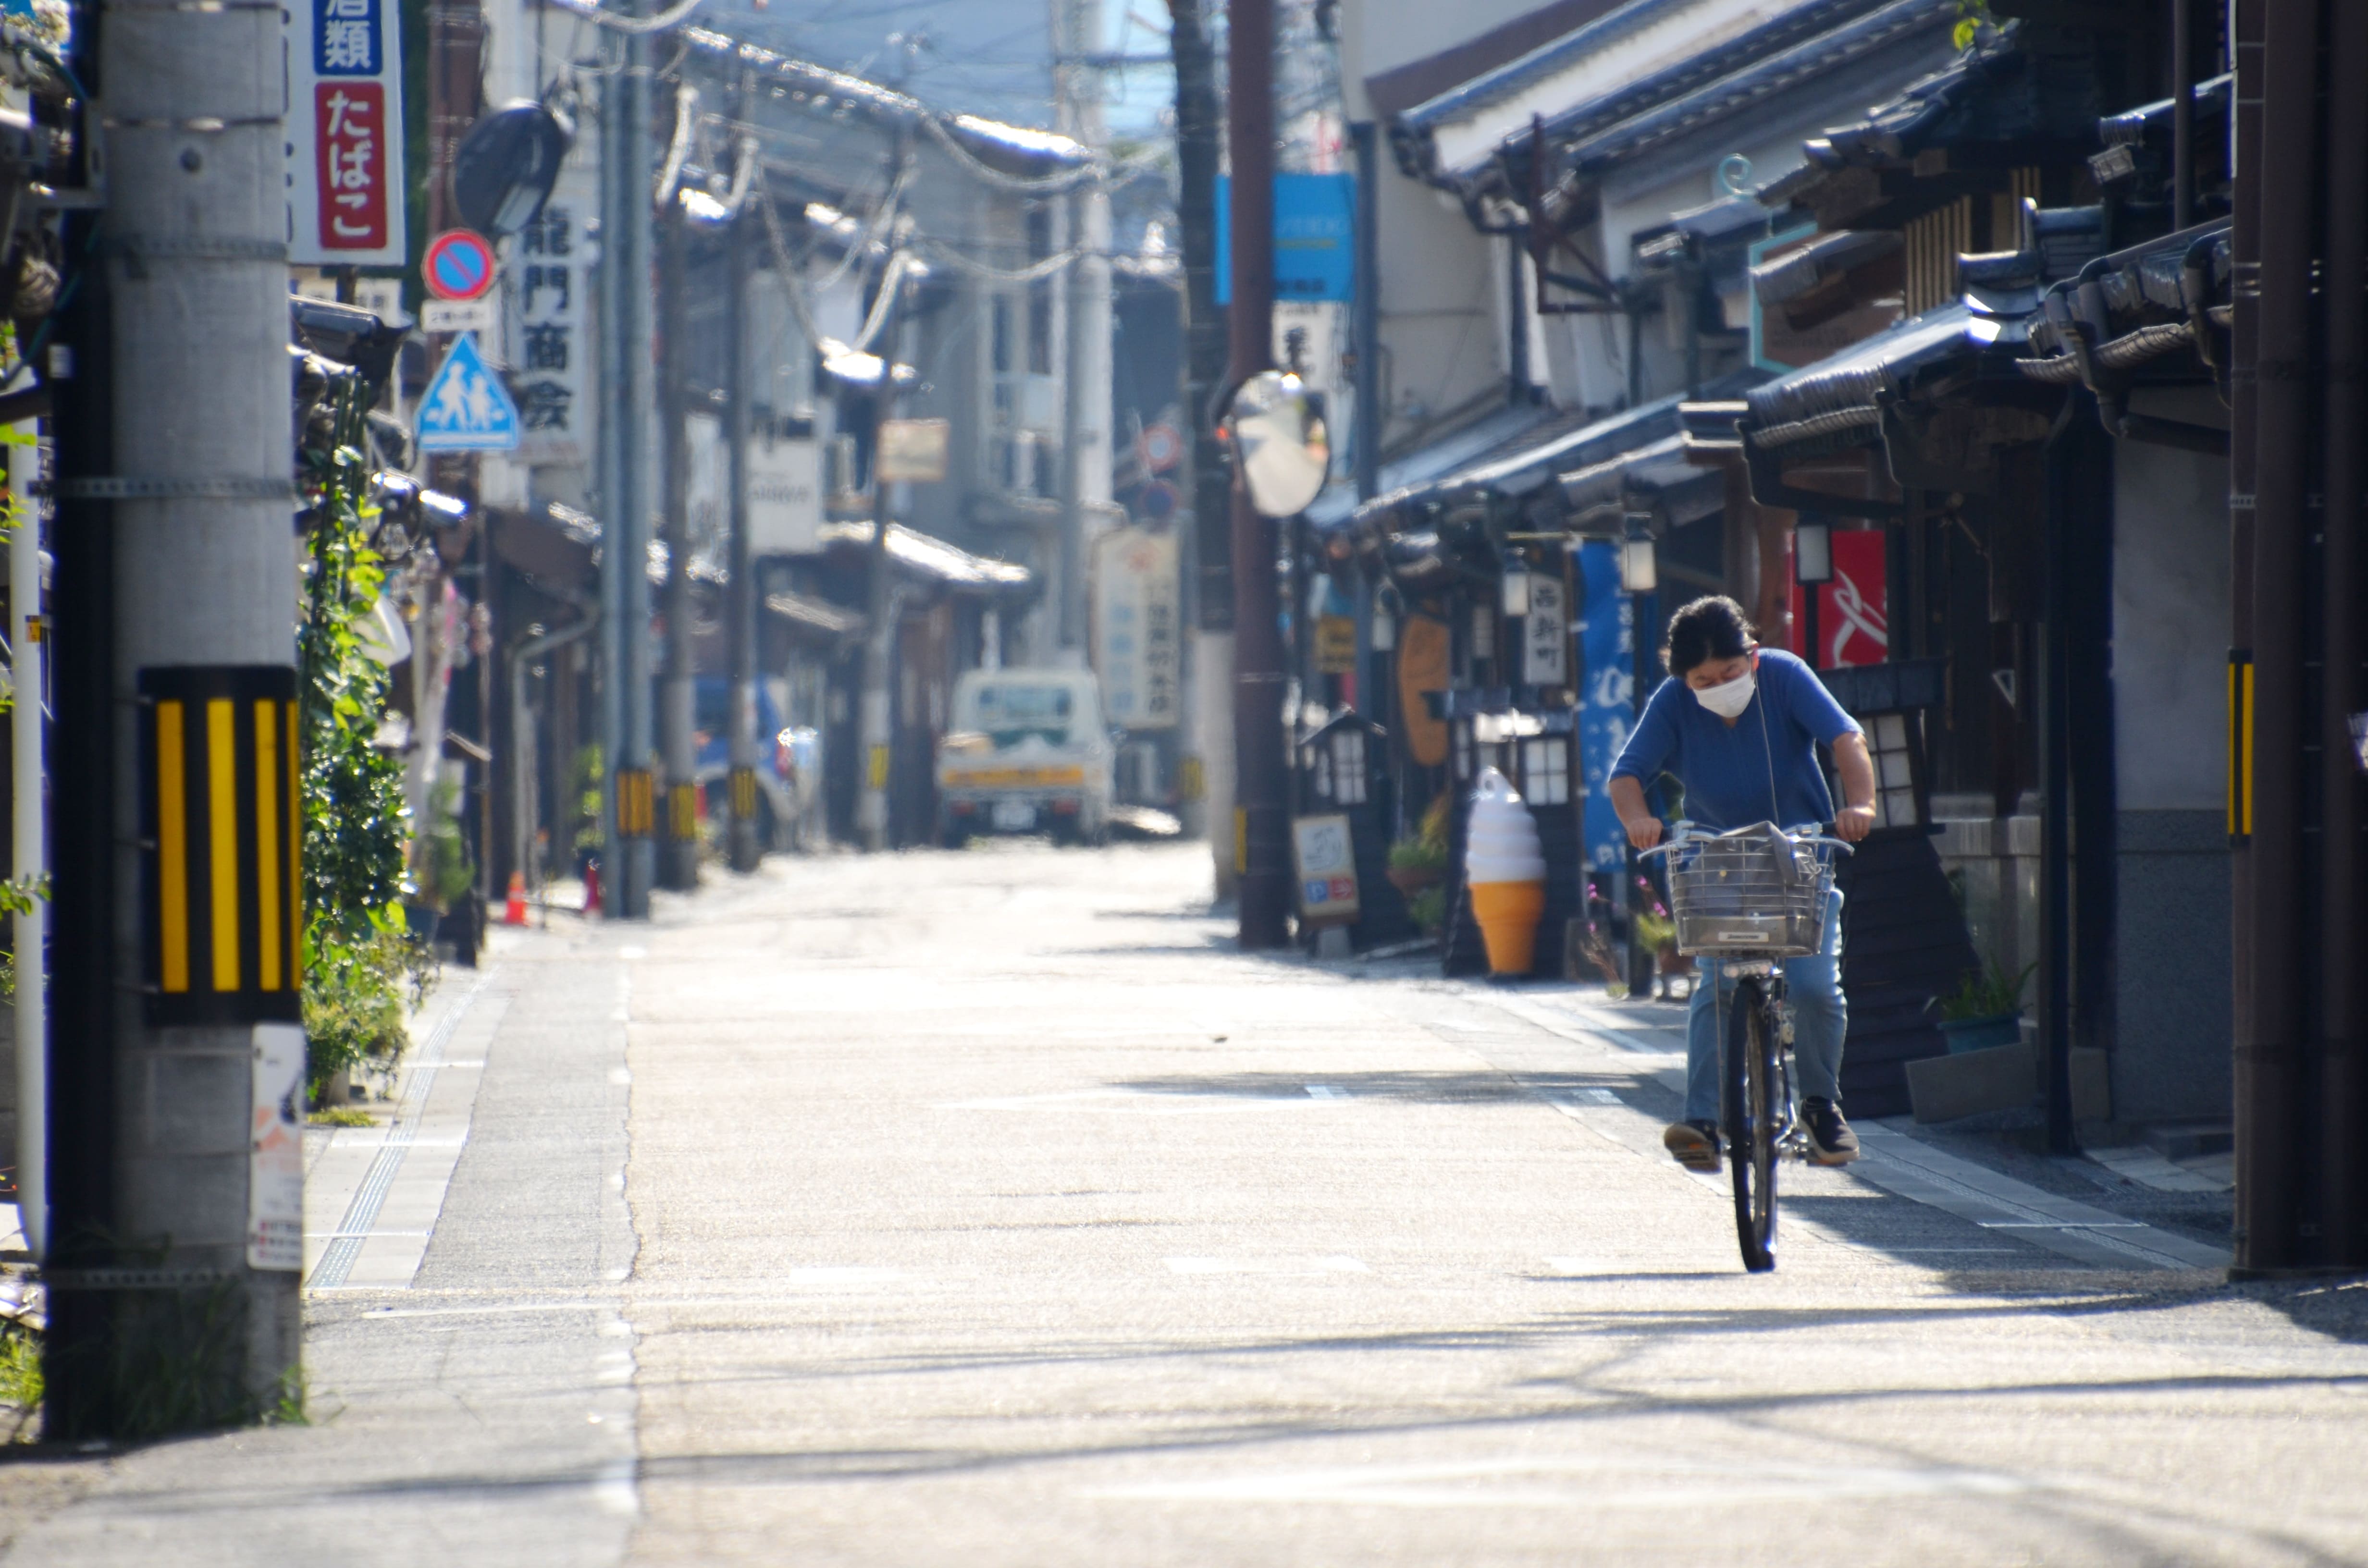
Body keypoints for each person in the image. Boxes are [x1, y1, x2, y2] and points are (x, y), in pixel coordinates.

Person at [1607, 595, 1876, 1172]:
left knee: (1813, 987)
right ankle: (1702, 1118)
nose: (1718, 685)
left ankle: (1820, 1106)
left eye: (1729, 673)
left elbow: (1844, 740)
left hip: (1798, 853)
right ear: (1683, 678)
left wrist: (1859, 804)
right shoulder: (1673, 702)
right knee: (1714, 986)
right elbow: (1627, 775)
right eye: (1703, 679)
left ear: (1751, 655)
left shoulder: (1784, 676)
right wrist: (1637, 820)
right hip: (1716, 863)